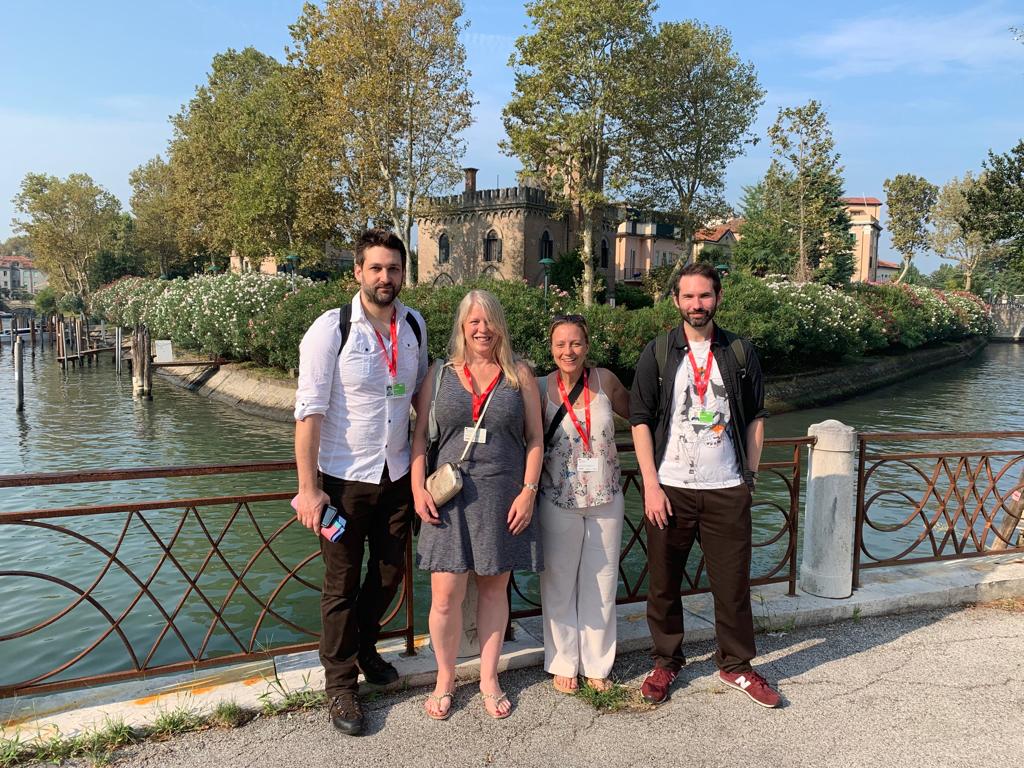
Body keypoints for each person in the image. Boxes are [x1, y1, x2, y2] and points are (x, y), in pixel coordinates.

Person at [293, 229, 428, 736]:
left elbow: (419, 399)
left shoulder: (414, 324)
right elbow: (308, 413)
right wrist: (309, 489)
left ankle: (365, 645)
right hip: (342, 482)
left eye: (393, 269)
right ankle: (341, 686)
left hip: (395, 477)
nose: (385, 277)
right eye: (376, 268)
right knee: (340, 585)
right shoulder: (331, 330)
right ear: (357, 272)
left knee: (392, 573)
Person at [629, 262, 781, 709]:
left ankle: (736, 665)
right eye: (689, 296)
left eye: (705, 296)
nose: (697, 305)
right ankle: (666, 660)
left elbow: (755, 416)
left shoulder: (738, 351)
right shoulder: (658, 353)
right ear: (675, 300)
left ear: (718, 297)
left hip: (727, 486)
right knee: (663, 583)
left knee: (732, 585)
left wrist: (748, 479)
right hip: (670, 488)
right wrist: (651, 486)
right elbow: (639, 420)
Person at [411, 289, 543, 720]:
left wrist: (528, 491)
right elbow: (418, 440)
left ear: (499, 325)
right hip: (447, 500)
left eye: (489, 321)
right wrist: (417, 490)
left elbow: (536, 439)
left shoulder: (518, 374)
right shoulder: (439, 375)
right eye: (473, 322)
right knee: (445, 596)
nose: (482, 329)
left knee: (493, 591)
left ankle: (488, 678)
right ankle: (444, 678)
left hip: (502, 498)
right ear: (462, 328)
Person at [537, 315, 630, 694]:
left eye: (575, 343)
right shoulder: (540, 386)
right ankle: (563, 661)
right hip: (558, 498)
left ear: (587, 346)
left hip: (607, 497)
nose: (568, 351)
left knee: (603, 581)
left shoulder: (605, 380)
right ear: (551, 348)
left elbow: (640, 416)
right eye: (560, 344)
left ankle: (597, 662)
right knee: (558, 581)